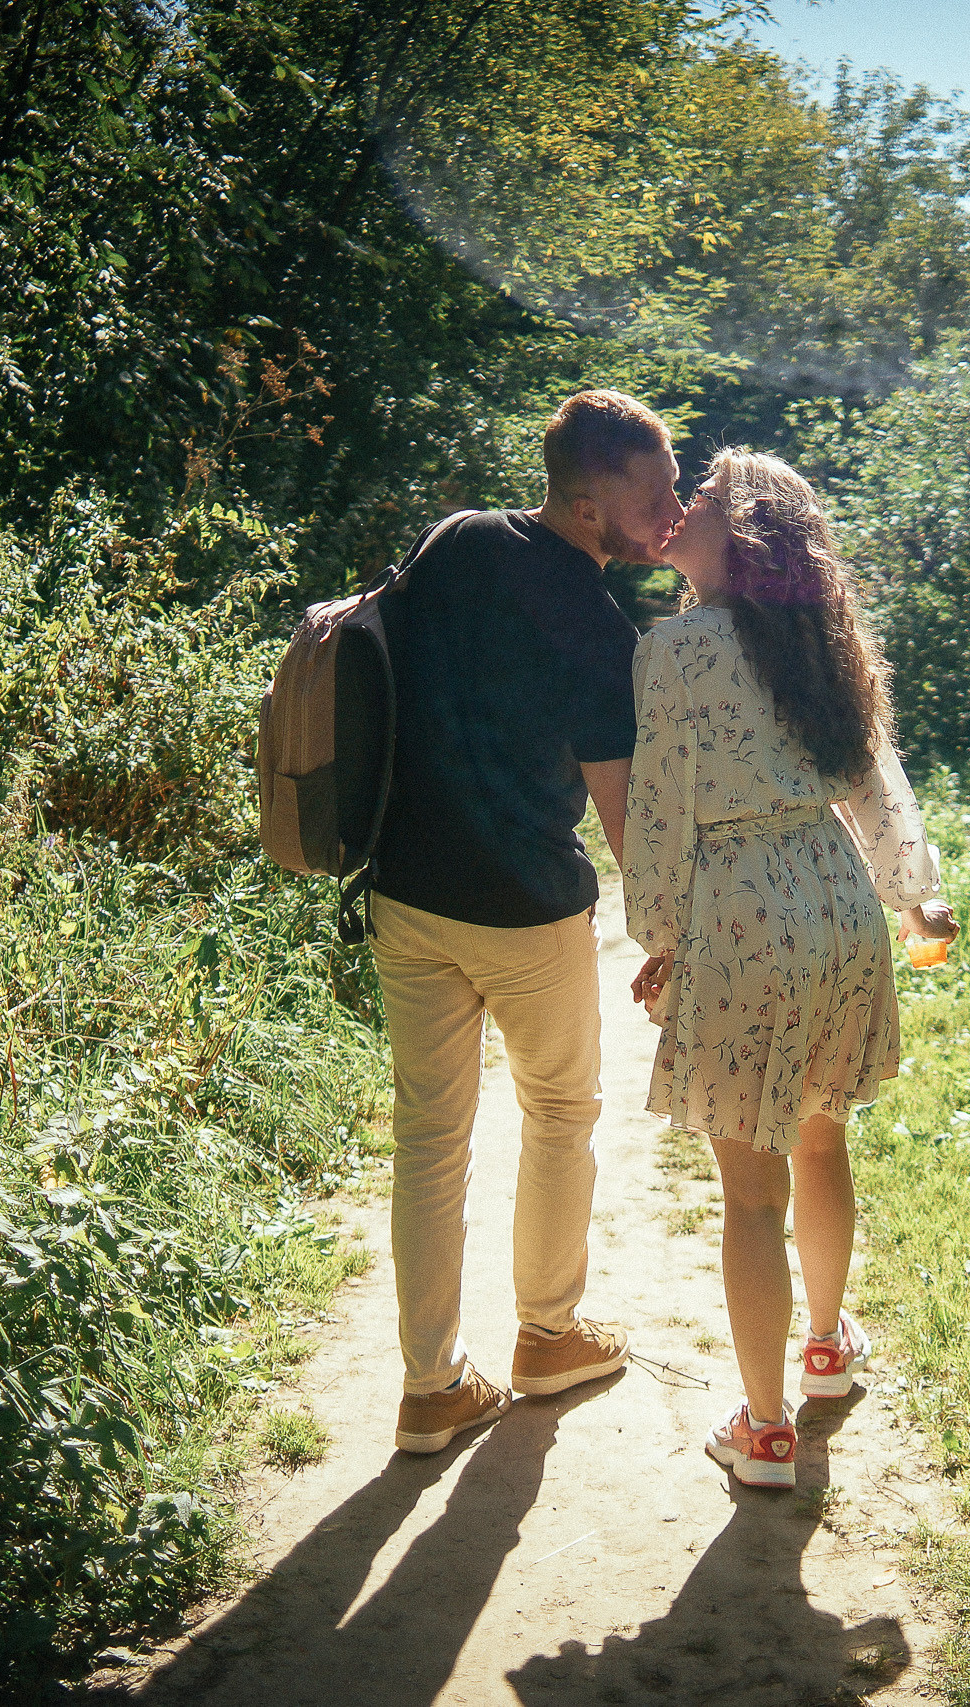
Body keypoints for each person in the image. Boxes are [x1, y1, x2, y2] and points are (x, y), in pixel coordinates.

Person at [621, 448, 958, 1489]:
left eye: (705, 499)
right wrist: (914, 895)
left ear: (747, 535)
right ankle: (823, 1351)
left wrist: (662, 938)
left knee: (750, 1195)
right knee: (819, 1140)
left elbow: (660, 812)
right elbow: (873, 779)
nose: (681, 509)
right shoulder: (819, 648)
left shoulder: (673, 650)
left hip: (738, 909)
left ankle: (764, 1430)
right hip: (835, 898)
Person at [370, 388, 685, 1454]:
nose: (673, 507)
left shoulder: (453, 541)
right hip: (524, 909)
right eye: (656, 489)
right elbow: (618, 805)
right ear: (593, 501)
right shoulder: (598, 627)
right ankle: (547, 1337)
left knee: (429, 1138)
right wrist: (668, 937)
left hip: (405, 890)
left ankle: (429, 1389)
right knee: (557, 1115)